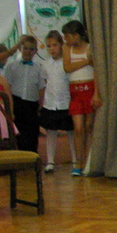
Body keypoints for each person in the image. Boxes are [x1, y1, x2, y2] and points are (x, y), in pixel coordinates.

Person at [62, 20, 102, 176]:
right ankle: (78, 161)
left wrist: (96, 93)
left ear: (77, 35)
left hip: (89, 88)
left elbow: (96, 71)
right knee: (78, 128)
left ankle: (87, 161)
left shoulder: (90, 47)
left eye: (68, 36)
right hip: (75, 90)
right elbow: (67, 67)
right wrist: (86, 61)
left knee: (89, 126)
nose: (66, 39)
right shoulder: (67, 48)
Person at [39, 30, 77, 173]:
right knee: (51, 131)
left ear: (61, 45)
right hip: (51, 103)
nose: (52, 49)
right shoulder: (46, 64)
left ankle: (75, 160)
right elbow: (45, 81)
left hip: (66, 102)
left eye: (55, 45)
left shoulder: (67, 62)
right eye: (49, 46)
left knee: (71, 131)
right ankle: (50, 162)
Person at [2, 35, 44, 153]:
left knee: (32, 134)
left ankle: (32, 158)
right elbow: (7, 87)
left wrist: (40, 106)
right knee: (17, 134)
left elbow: (41, 89)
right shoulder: (12, 66)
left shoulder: (39, 68)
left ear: (36, 51)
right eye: (25, 48)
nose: (28, 51)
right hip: (16, 103)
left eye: (31, 49)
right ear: (20, 49)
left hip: (31, 105)